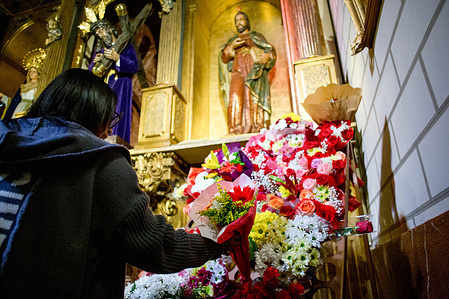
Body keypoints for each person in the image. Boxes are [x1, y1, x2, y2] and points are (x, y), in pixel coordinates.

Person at [0, 68, 239, 298]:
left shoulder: (7, 141)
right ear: (96, 113)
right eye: (110, 118)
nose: (109, 130)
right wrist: (217, 242)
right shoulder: (99, 160)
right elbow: (156, 245)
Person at [221, 11, 276, 135]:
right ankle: (235, 129)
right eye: (236, 21)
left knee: (252, 95)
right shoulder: (233, 40)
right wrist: (231, 46)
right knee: (235, 96)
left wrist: (268, 56)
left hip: (254, 69)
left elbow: (270, 51)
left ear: (247, 21)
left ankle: (257, 127)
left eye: (241, 19)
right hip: (238, 70)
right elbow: (224, 58)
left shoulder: (256, 36)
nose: (238, 23)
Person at [88, 19, 138, 144]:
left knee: (117, 112)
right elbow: (90, 75)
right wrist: (94, 63)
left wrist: (118, 59)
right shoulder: (100, 52)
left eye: (101, 31)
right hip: (104, 87)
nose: (100, 35)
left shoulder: (127, 47)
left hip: (120, 85)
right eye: (97, 34)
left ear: (109, 29)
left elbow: (134, 66)